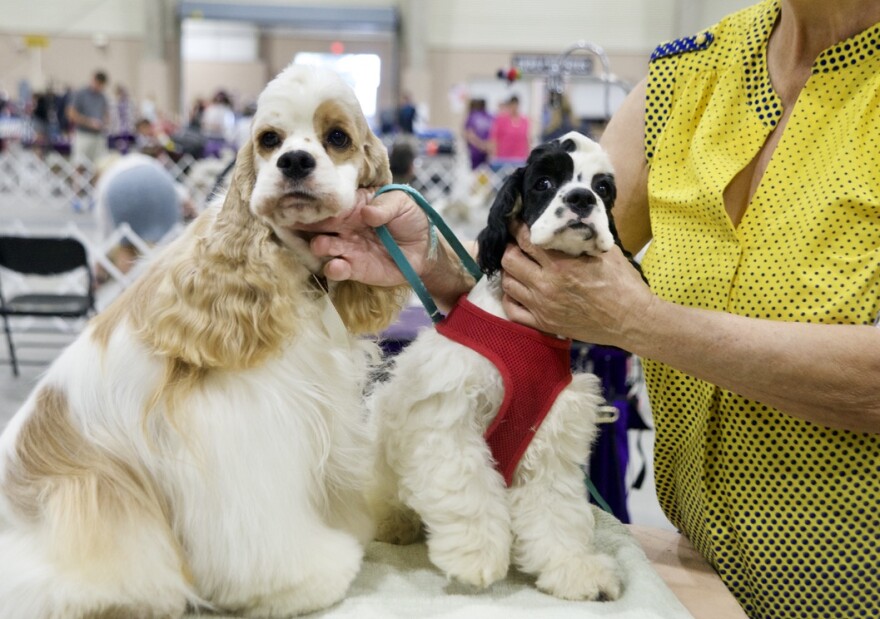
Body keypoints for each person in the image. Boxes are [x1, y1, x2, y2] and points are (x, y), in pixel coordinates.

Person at [293, 1, 880, 617]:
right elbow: (554, 253)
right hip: (700, 568)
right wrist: (430, 258)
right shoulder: (686, 75)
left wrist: (643, 324)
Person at [94, 152, 196, 276]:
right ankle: (175, 279)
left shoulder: (107, 179)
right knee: (170, 240)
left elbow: (104, 223)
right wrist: (197, 217)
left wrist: (100, 260)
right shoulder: (140, 159)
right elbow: (177, 189)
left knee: (125, 244)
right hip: (158, 181)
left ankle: (128, 287)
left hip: (121, 190)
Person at [66, 71, 110, 166]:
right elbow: (70, 113)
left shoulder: (102, 97)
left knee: (99, 164)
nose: (98, 87)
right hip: (83, 134)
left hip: (98, 136)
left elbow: (106, 113)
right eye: (97, 83)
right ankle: (77, 181)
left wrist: (105, 122)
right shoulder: (81, 94)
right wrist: (89, 122)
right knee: (79, 163)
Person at [489, 95, 530, 165]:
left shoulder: (525, 120)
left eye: (516, 105)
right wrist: (493, 155)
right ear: (509, 106)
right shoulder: (501, 119)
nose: (514, 108)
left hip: (520, 158)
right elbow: (494, 138)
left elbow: (527, 138)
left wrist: (528, 155)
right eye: (512, 105)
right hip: (503, 158)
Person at [463, 98, 494, 169]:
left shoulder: (472, 116)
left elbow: (468, 134)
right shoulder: (491, 117)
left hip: (478, 150)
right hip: (485, 149)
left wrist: (481, 145)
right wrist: (485, 145)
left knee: (477, 174)